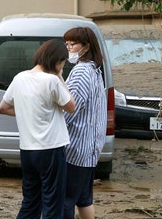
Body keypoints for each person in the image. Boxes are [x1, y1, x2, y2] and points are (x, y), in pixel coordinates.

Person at [0, 38, 75, 219]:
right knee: (52, 204)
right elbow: (71, 106)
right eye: (63, 62)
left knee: (31, 202)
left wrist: (28, 112)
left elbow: (3, 107)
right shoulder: (52, 81)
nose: (63, 65)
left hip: (27, 150)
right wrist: (61, 77)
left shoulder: (19, 78)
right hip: (51, 148)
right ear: (57, 61)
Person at [62, 27, 107, 219]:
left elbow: (70, 109)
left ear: (86, 46)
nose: (69, 49)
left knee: (65, 201)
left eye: (73, 44)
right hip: (89, 148)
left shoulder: (81, 72)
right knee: (84, 199)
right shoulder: (95, 70)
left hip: (76, 149)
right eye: (67, 45)